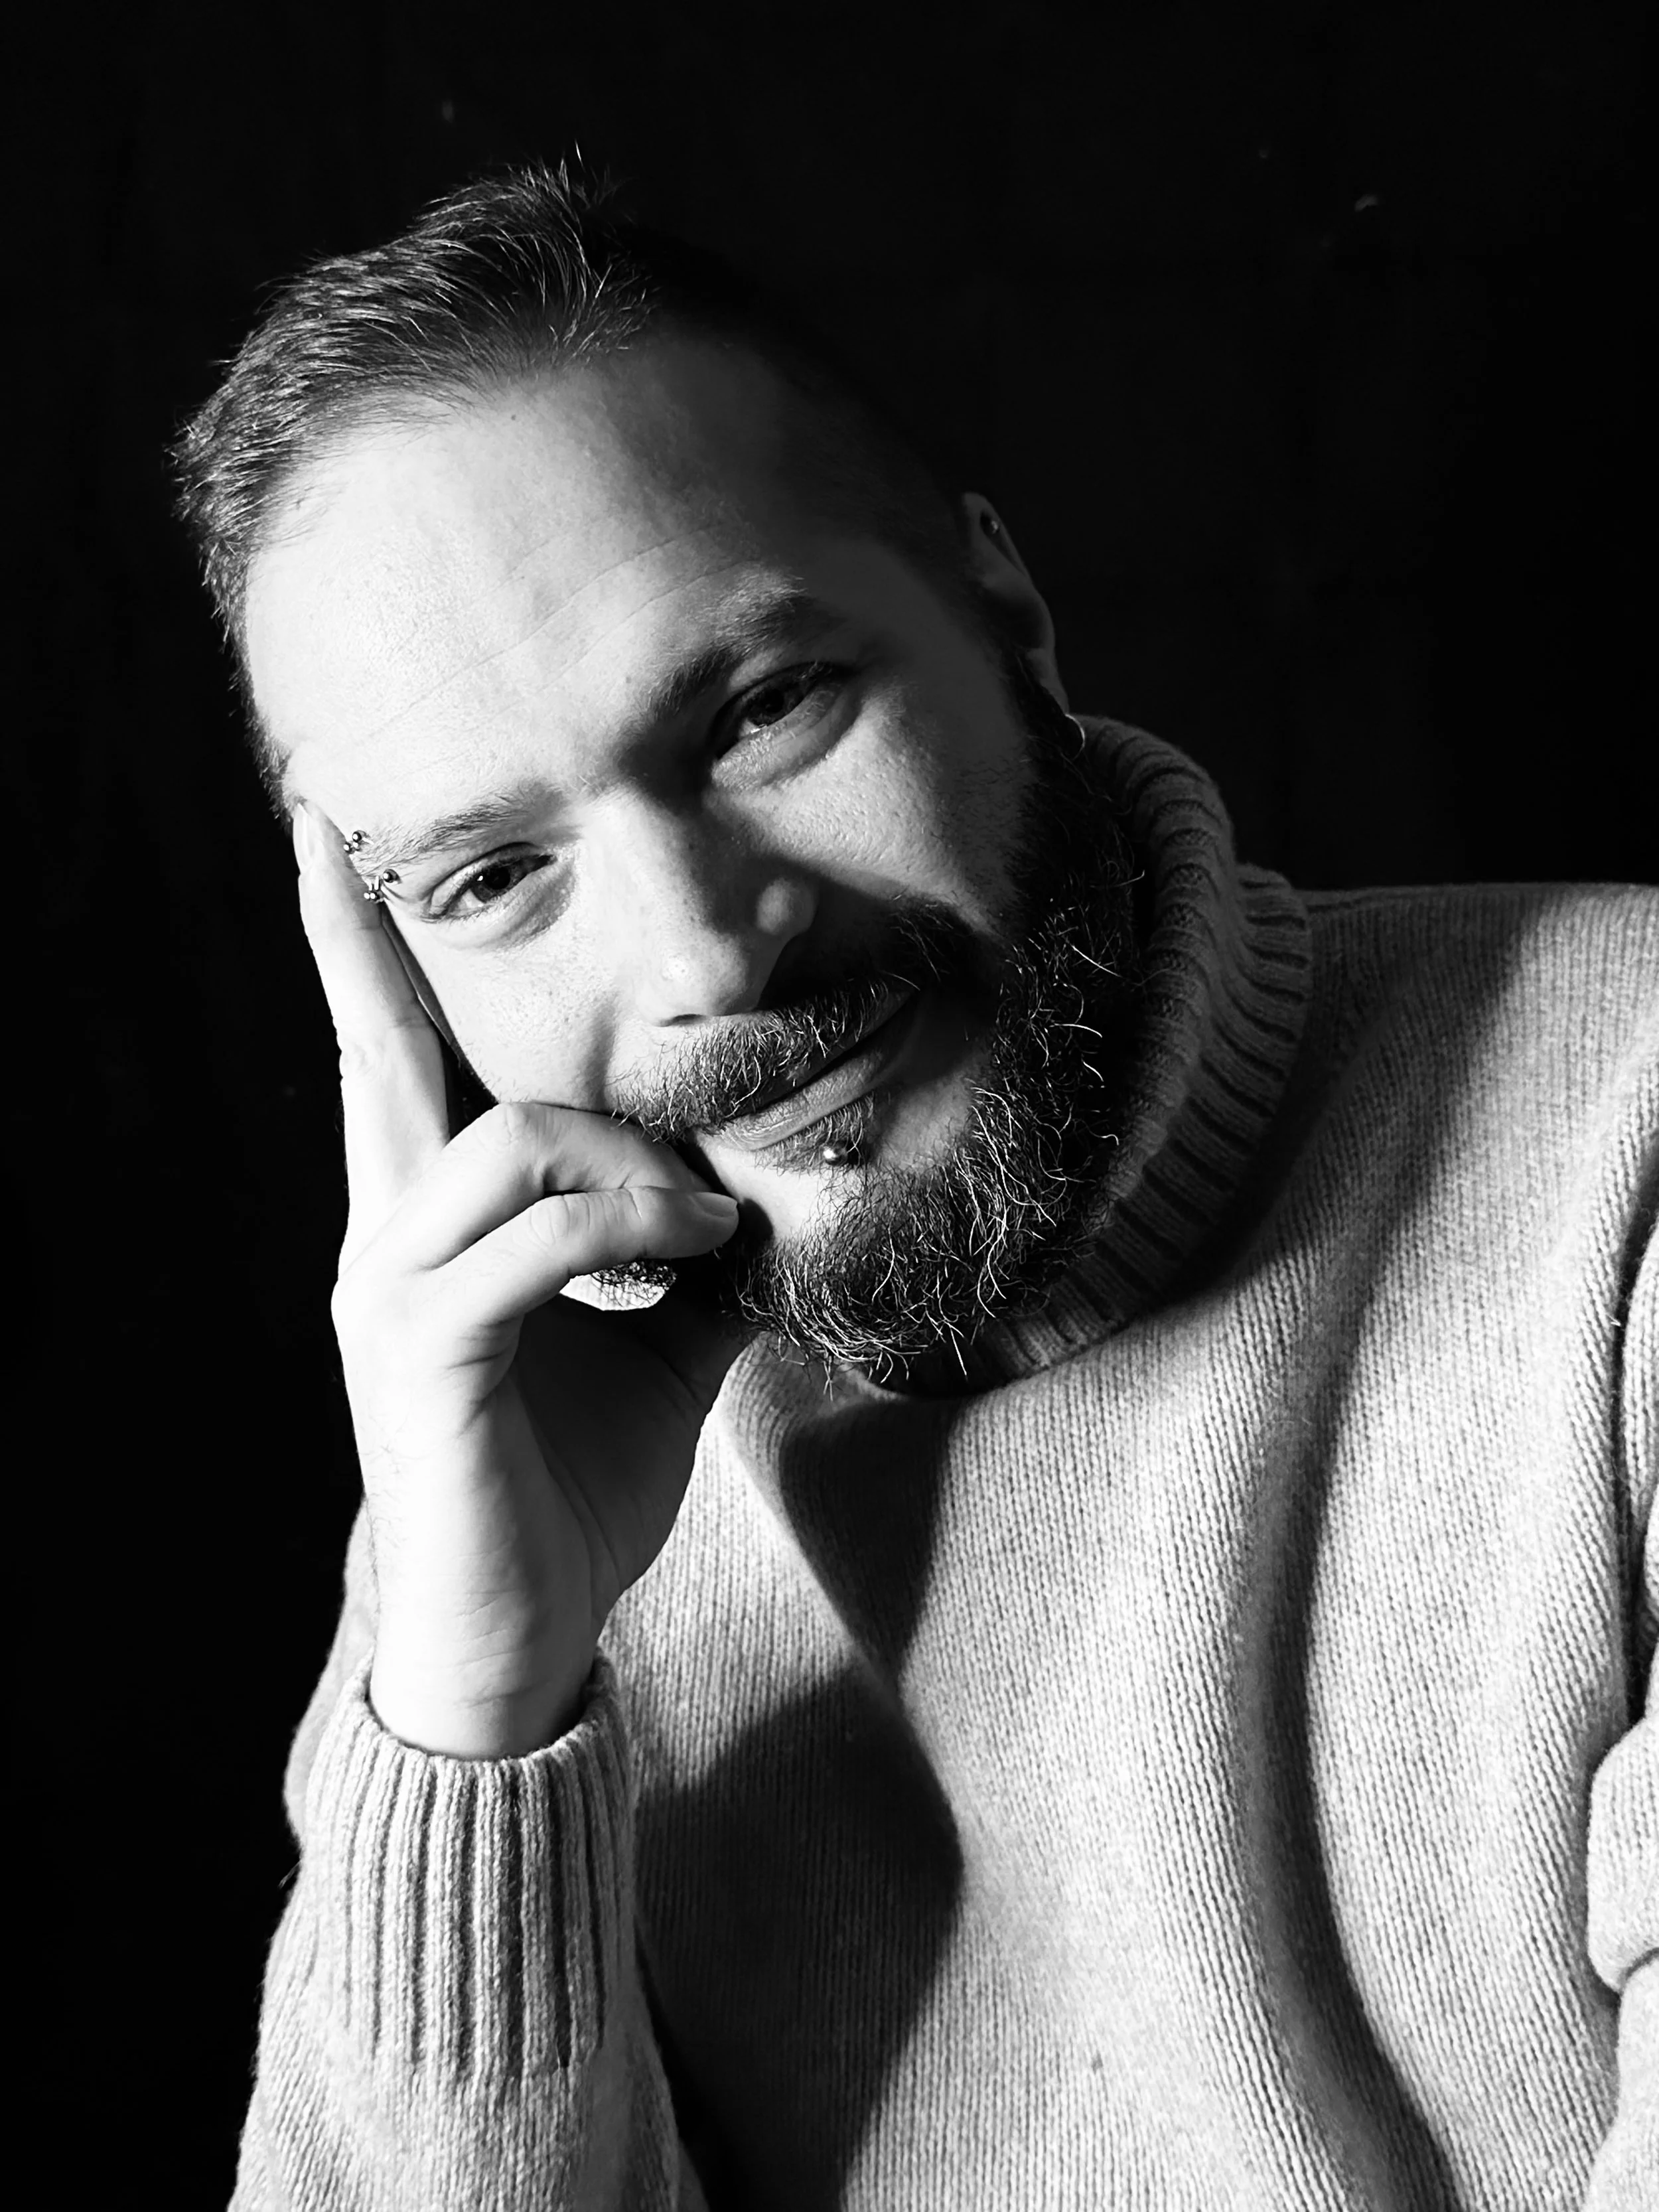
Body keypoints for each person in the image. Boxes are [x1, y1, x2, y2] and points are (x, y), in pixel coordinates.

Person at [175, 163, 1656, 2209]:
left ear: (1003, 612)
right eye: (494, 879)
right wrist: (466, 1722)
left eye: (763, 708)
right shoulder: (517, 1497)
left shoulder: (1628, 1141)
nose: (703, 957)